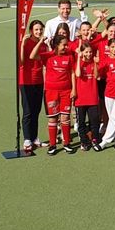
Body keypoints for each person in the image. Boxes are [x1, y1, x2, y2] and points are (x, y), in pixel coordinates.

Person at [32, 34, 76, 155]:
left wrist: (74, 89)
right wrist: (41, 41)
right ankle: (52, 145)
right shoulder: (48, 56)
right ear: (56, 45)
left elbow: (72, 72)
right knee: (53, 119)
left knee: (65, 117)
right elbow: (32, 56)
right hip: (51, 92)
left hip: (66, 91)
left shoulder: (69, 56)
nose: (66, 47)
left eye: (66, 44)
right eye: (64, 45)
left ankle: (66, 143)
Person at [18, 19, 47, 154]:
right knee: (28, 111)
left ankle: (35, 137)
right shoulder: (27, 42)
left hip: (39, 81)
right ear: (31, 31)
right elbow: (22, 61)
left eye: (40, 29)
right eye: (36, 30)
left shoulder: (43, 45)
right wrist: (23, 44)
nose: (38, 32)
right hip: (26, 81)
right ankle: (27, 139)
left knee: (36, 111)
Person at [72, 44, 103, 152]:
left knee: (94, 120)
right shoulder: (78, 63)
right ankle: (84, 142)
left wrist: (95, 62)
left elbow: (96, 76)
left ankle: (94, 139)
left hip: (92, 98)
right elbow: (78, 74)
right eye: (86, 52)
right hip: (80, 99)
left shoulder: (94, 63)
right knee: (81, 122)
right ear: (82, 53)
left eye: (90, 52)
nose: (88, 54)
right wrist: (80, 59)